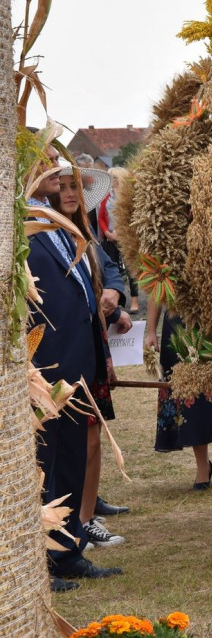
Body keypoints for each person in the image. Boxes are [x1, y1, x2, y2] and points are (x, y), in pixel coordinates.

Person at [28, 138, 122, 592]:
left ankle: (67, 553)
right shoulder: (18, 222)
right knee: (47, 460)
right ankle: (43, 558)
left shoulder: (55, 221)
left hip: (76, 359)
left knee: (69, 459)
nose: (56, 169)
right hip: (45, 363)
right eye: (47, 163)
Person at [50, 161, 133, 551]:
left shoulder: (86, 233)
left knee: (93, 435)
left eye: (76, 187)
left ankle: (85, 516)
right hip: (68, 353)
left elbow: (111, 269)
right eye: (63, 186)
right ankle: (79, 520)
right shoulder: (45, 235)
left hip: (92, 347)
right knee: (78, 439)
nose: (69, 193)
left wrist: (114, 296)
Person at [145, 306, 212, 490]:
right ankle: (202, 465)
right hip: (178, 321)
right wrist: (151, 331)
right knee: (191, 398)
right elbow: (156, 288)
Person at [98, 167, 140, 313]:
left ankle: (134, 299)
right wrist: (107, 233)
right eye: (111, 179)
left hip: (126, 237)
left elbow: (132, 218)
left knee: (130, 269)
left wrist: (122, 232)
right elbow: (101, 218)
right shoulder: (106, 198)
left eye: (114, 178)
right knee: (111, 267)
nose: (112, 182)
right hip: (110, 237)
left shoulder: (128, 198)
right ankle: (116, 299)